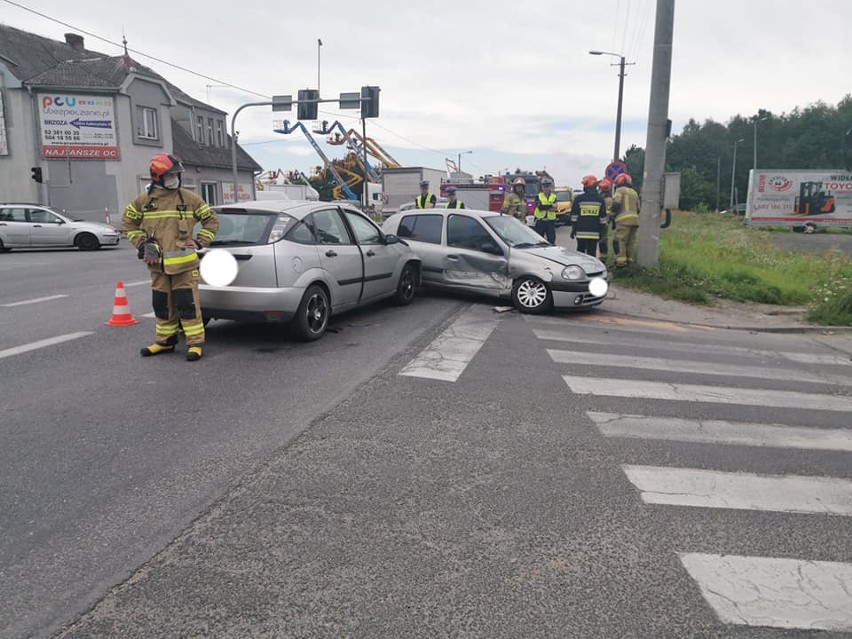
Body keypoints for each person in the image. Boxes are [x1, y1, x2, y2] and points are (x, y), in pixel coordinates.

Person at [123, 153, 218, 361]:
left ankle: (195, 344)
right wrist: (141, 243)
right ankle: (165, 342)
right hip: (157, 266)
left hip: (184, 267)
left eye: (177, 174)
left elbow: (211, 220)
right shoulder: (144, 201)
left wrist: (201, 241)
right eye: (171, 174)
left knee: (187, 305)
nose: (176, 178)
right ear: (157, 177)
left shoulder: (189, 199)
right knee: (162, 305)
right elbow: (128, 223)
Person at [570, 175, 608, 257]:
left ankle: (580, 269)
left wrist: (573, 230)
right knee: (591, 255)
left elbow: (574, 217)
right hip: (594, 233)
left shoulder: (579, 199)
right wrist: (602, 232)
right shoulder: (600, 200)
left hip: (580, 233)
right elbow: (603, 219)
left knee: (580, 254)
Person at [610, 173, 641, 268]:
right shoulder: (634, 192)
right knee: (630, 242)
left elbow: (616, 204)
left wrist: (612, 216)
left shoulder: (620, 191)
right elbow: (638, 208)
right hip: (635, 221)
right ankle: (629, 262)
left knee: (619, 241)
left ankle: (621, 264)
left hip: (623, 222)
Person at [533, 178, 557, 244]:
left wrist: (546, 206)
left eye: (547, 186)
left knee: (552, 240)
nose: (546, 188)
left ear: (550, 187)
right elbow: (540, 207)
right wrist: (551, 205)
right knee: (539, 241)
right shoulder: (538, 196)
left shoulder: (554, 196)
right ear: (542, 187)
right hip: (540, 221)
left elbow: (555, 208)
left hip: (550, 222)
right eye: (544, 186)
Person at [597, 178, 614, 258]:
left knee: (601, 241)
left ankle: (602, 257)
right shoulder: (610, 199)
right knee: (603, 240)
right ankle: (604, 257)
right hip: (606, 223)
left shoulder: (601, 199)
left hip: (600, 222)